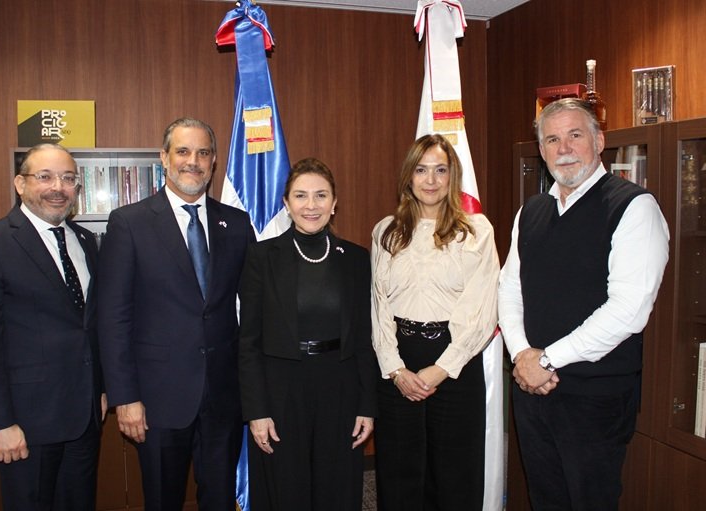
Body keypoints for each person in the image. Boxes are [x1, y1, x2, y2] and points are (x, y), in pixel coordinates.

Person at [498, 98, 670, 510]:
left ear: (599, 141)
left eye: (575, 135)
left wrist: (546, 360)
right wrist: (522, 356)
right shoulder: (531, 211)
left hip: (595, 398)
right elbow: (509, 288)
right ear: (541, 150)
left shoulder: (633, 207)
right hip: (532, 389)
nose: (564, 148)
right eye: (552, 139)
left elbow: (628, 310)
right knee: (545, 499)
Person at [97, 118, 255, 511]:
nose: (193, 161)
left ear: (214, 162)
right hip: (158, 400)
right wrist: (125, 398)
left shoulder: (235, 223)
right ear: (164, 158)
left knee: (219, 500)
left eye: (203, 153)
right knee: (163, 500)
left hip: (223, 397)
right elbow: (113, 318)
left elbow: (254, 307)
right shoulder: (129, 223)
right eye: (183, 151)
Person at [0, 143, 106, 510]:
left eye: (68, 179)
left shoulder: (85, 241)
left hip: (84, 417)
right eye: (45, 177)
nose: (58, 187)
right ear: (20, 184)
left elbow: (89, 326)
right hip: (25, 423)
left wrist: (100, 389)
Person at [239, 157, 378, 510]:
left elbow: (364, 339)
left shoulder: (356, 259)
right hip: (281, 393)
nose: (311, 205)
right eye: (300, 196)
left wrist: (367, 405)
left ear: (334, 203)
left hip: (340, 389)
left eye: (321, 195)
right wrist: (256, 411)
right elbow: (248, 342)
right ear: (286, 204)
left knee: (337, 490)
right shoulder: (261, 257)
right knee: (287, 491)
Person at [371, 134, 500, 510]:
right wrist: (396, 369)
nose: (430, 180)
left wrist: (441, 369)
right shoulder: (386, 231)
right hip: (398, 364)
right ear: (408, 177)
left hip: (456, 362)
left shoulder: (476, 231)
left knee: (454, 475)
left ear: (452, 176)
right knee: (399, 473)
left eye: (440, 170)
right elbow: (378, 305)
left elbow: (482, 308)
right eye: (421, 170)